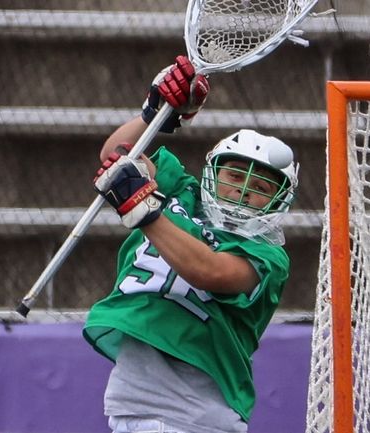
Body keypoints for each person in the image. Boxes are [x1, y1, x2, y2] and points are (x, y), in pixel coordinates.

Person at [82, 55, 300, 433]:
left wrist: (145, 212)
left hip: (192, 414)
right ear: (213, 172)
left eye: (261, 189)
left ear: (278, 202)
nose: (244, 192)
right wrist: (155, 115)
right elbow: (116, 157)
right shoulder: (181, 189)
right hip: (141, 406)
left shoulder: (268, 255)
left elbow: (208, 270)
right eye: (234, 175)